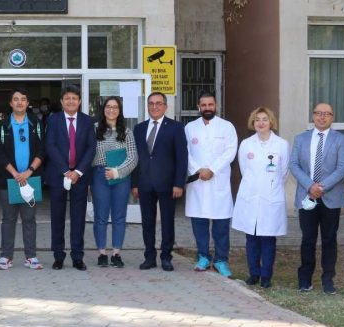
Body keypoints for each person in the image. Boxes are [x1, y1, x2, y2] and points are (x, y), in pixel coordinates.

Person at [288, 103, 344, 294]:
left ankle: (328, 279)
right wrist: (310, 186)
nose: (322, 117)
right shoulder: (301, 138)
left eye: (327, 114)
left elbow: (342, 167)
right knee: (308, 239)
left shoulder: (341, 139)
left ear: (332, 117)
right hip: (307, 195)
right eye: (319, 113)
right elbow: (293, 165)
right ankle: (305, 279)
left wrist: (321, 187)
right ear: (313, 116)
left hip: (331, 197)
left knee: (329, 240)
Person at [232, 107, 290, 289]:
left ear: (271, 122)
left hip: (270, 197)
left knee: (268, 238)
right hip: (251, 196)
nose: (261, 123)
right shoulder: (246, 144)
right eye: (257, 119)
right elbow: (244, 170)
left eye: (265, 119)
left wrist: (269, 187)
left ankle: (266, 276)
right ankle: (254, 273)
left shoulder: (281, 144)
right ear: (253, 122)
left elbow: (284, 172)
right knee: (251, 238)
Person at [131, 92, 188, 271]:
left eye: (158, 103)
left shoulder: (176, 127)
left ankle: (166, 257)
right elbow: (135, 158)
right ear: (147, 106)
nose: (154, 106)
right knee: (147, 222)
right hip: (145, 184)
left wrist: (179, 183)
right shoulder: (139, 128)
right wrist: (134, 184)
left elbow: (182, 158)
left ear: (165, 106)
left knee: (167, 222)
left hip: (168, 184)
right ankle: (149, 257)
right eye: (151, 103)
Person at [184, 92, 238, 278]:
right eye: (204, 105)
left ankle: (221, 260)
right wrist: (198, 170)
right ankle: (203, 257)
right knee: (199, 222)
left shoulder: (227, 127)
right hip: (198, 181)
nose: (207, 108)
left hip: (218, 181)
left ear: (216, 106)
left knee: (221, 224)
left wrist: (212, 169)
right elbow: (185, 152)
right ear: (198, 107)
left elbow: (230, 152)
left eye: (210, 104)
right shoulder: (190, 128)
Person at [0, 88, 45, 270]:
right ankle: (6, 257)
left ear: (27, 102)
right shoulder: (2, 125)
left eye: (23, 99)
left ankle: (31, 256)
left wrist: (29, 171)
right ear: (10, 103)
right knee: (8, 218)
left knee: (29, 219)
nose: (20, 102)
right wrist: (15, 173)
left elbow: (42, 150)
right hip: (9, 180)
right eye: (16, 99)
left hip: (31, 178)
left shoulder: (35, 123)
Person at [45, 85, 96, 271]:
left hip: (80, 176)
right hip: (58, 175)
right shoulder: (53, 120)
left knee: (78, 218)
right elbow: (50, 146)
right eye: (67, 98)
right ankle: (58, 256)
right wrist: (65, 171)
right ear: (61, 101)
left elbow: (91, 148)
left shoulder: (87, 121)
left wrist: (78, 171)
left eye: (74, 98)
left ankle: (77, 257)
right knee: (57, 217)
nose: (71, 101)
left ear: (79, 101)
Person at [91, 97, 137, 268]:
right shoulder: (94, 129)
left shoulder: (127, 131)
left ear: (120, 110)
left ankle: (116, 253)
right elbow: (88, 153)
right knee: (100, 216)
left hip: (121, 177)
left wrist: (117, 172)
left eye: (115, 107)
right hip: (100, 176)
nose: (111, 110)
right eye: (108, 107)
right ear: (103, 109)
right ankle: (102, 253)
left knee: (119, 216)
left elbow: (133, 157)